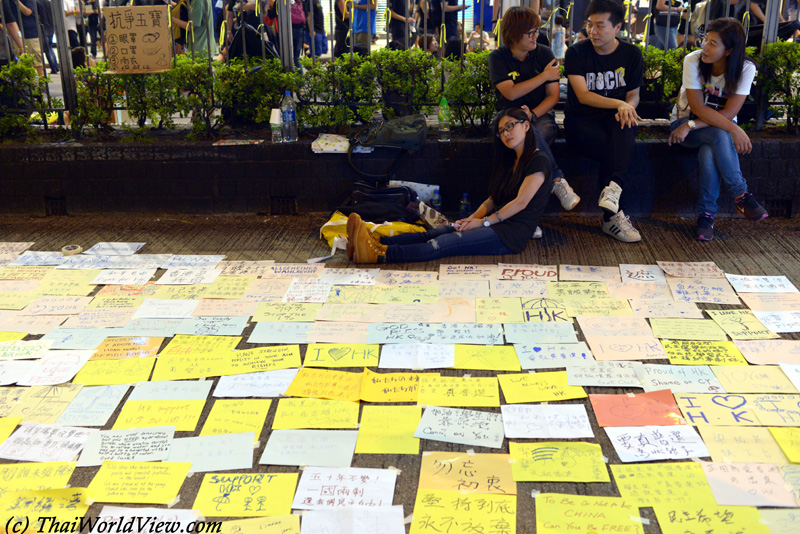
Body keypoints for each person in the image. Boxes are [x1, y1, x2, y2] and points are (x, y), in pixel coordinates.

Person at [346, 107, 553, 263]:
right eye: (501, 131)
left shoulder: (538, 161)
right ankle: (375, 242)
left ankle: (378, 255)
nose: (506, 133)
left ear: (526, 126)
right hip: (494, 223)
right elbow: (492, 199)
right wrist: (472, 219)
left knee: (443, 243)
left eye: (510, 126)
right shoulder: (510, 159)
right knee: (438, 232)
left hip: (510, 235)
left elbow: (520, 202)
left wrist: (483, 223)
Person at [668, 18, 767, 241]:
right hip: (682, 126)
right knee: (720, 135)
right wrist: (734, 130)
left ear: (729, 50)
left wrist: (696, 125)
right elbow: (697, 108)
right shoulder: (693, 60)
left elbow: (730, 113)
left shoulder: (745, 69)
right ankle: (741, 195)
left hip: (698, 127)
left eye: (713, 44)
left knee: (710, 149)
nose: (704, 46)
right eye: (705, 40)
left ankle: (706, 216)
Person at [564, 0, 644, 243]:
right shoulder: (577, 53)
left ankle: (613, 197)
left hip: (614, 121)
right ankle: (613, 216)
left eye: (600, 26)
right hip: (581, 123)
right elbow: (583, 95)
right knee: (618, 148)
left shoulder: (631, 54)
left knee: (625, 126)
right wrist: (620, 104)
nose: (593, 31)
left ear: (617, 27)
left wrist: (627, 107)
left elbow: (634, 96)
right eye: (590, 25)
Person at [488, 6, 580, 214]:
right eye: (530, 33)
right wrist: (544, 76)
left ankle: (519, 214)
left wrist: (533, 114)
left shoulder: (544, 53)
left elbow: (553, 96)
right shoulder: (498, 57)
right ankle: (556, 179)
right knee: (522, 137)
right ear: (514, 34)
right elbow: (511, 93)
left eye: (536, 31)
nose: (536, 36)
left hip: (540, 114)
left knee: (530, 138)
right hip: (508, 115)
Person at [15, 0, 44, 75]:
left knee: (37, 62)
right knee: (21, 63)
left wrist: (17, 1)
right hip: (16, 35)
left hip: (30, 34)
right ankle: (29, 81)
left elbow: (27, 12)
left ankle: (42, 81)